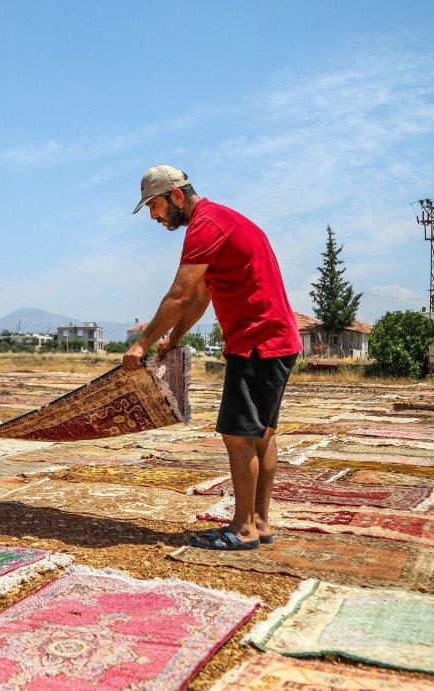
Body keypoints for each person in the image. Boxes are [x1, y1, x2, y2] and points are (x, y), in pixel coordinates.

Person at [123, 165, 301, 549]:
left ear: (175, 196)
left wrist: (143, 344)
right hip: (274, 340)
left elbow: (180, 295)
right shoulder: (221, 220)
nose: (154, 216)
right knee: (261, 434)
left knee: (238, 435)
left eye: (154, 206)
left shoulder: (205, 225)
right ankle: (259, 522)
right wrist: (173, 338)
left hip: (257, 343)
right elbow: (201, 297)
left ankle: (243, 529)